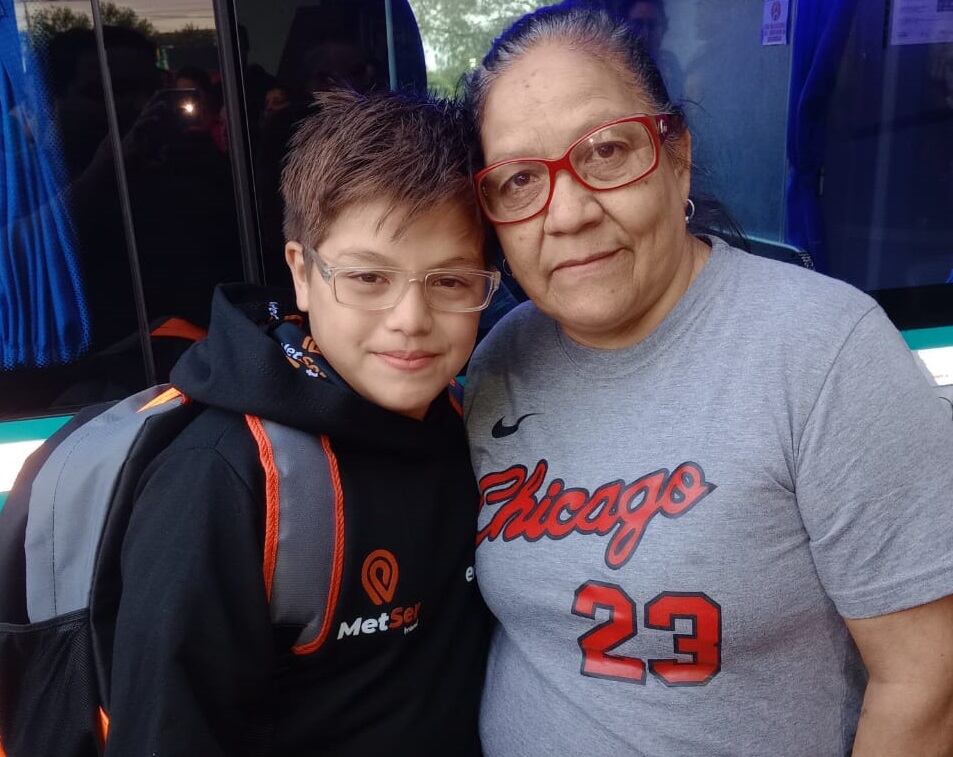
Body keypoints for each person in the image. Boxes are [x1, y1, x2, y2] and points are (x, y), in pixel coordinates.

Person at [461, 4, 953, 755]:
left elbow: (926, 683)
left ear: (676, 155)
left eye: (605, 151)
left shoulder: (821, 349)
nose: (566, 213)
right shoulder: (499, 360)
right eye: (520, 178)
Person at [103, 88, 494, 754]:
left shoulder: (471, 419)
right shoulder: (227, 476)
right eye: (368, 278)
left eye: (451, 281)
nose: (410, 318)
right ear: (302, 274)